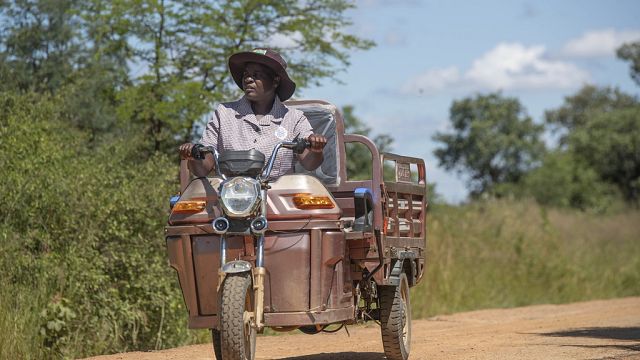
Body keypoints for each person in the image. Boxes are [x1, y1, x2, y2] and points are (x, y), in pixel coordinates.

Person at [179, 48, 327, 178]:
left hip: (277, 196)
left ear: (275, 81)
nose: (248, 79)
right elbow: (204, 167)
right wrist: (193, 156)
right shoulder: (224, 113)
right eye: (246, 74)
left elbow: (310, 163)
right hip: (230, 197)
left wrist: (316, 149)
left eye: (257, 75)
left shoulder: (294, 118)